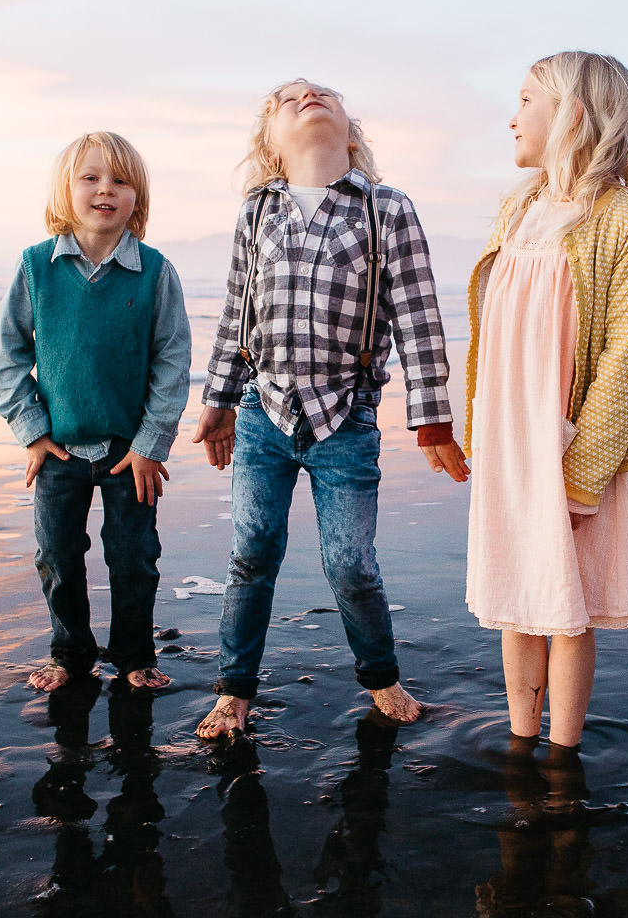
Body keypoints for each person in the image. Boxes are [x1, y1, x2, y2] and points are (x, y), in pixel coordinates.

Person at [192, 80, 468, 739]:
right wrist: (219, 400)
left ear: (351, 133)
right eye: (290, 98)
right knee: (252, 551)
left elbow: (419, 318)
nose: (309, 95)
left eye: (323, 94)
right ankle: (234, 690)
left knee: (351, 563)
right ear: (270, 144)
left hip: (346, 416)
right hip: (263, 412)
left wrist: (432, 417)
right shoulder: (258, 211)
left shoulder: (385, 209)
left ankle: (381, 675)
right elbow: (236, 315)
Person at [464, 51, 628, 754]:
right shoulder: (517, 209)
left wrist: (585, 469)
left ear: (573, 115)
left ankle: (563, 755)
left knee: (567, 602)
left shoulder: (626, 219)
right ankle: (521, 741)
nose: (511, 117)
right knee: (517, 592)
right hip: (514, 437)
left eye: (526, 101)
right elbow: (495, 335)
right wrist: (480, 429)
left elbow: (627, 359)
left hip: (577, 440)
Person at [0, 131, 192, 693]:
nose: (106, 189)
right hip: (58, 449)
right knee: (57, 556)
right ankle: (70, 654)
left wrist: (151, 444)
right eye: (91, 178)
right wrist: (32, 432)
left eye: (121, 181)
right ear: (66, 190)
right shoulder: (37, 267)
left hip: (131, 452)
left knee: (134, 558)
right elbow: (9, 355)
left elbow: (172, 361)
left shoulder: (155, 271)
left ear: (137, 198)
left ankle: (134, 656)